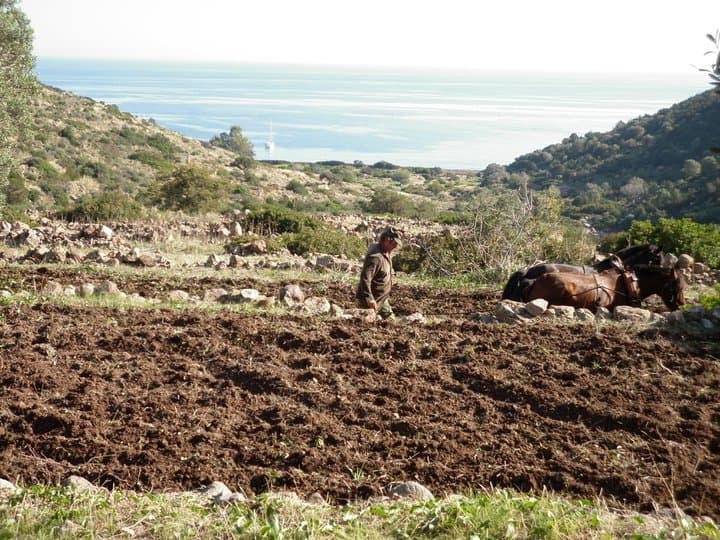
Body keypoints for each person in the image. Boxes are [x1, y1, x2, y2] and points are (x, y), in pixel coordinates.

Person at [355, 227, 401, 319]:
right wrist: (369, 298)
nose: (395, 246)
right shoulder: (375, 257)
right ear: (386, 240)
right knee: (366, 326)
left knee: (391, 322)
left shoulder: (385, 251)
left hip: (382, 299)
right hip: (369, 302)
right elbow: (365, 278)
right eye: (394, 243)